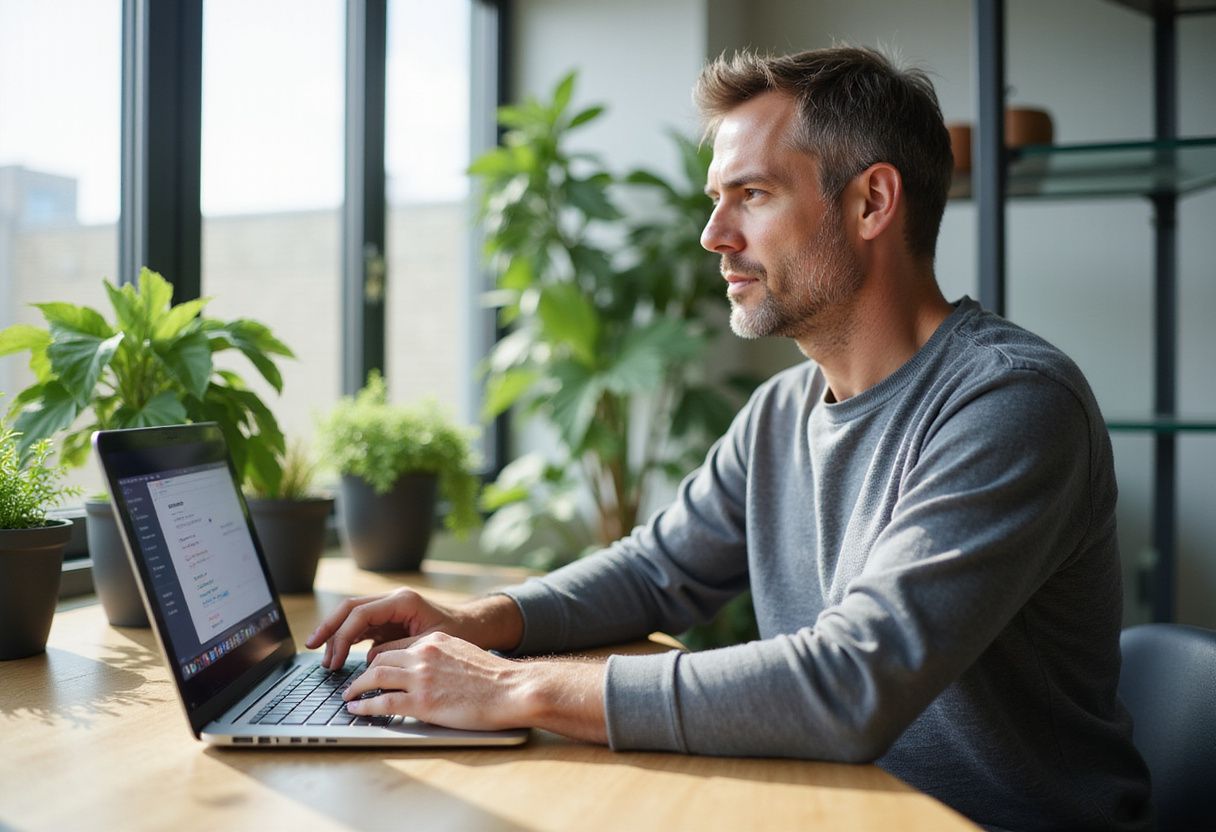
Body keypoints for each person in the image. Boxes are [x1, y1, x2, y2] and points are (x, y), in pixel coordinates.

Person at [308, 47, 1152, 830]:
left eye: (751, 195)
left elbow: (853, 680)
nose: (715, 237)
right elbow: (654, 571)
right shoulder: (783, 410)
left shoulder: (1010, 403)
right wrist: (478, 620)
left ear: (871, 202)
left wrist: (516, 687)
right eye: (717, 201)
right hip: (839, 808)